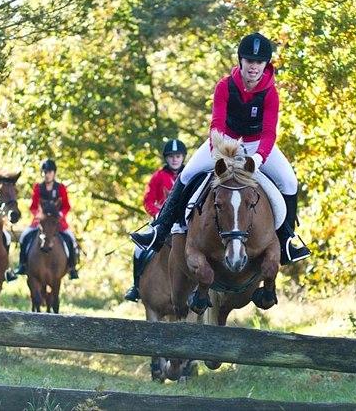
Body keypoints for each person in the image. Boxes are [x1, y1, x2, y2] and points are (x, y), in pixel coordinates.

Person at [131, 32, 310, 265]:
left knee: (289, 182)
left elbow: (268, 133)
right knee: (186, 174)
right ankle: (159, 229)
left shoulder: (270, 93)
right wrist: (222, 152)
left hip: (258, 144)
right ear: (241, 61)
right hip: (225, 141)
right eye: (249, 61)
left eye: (258, 62)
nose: (253, 67)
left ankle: (287, 240)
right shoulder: (225, 86)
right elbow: (217, 124)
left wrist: (257, 158)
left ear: (265, 64)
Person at [124, 139, 187, 302]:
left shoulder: (190, 174)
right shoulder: (158, 176)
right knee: (139, 249)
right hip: (161, 222)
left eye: (178, 156)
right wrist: (157, 213)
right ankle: (136, 286)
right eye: (171, 156)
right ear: (166, 158)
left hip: (184, 224)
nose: (175, 159)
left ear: (183, 157)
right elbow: (148, 200)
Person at [13, 159, 79, 279]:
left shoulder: (61, 188)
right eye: (44, 172)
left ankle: (72, 267)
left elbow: (66, 206)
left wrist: (60, 214)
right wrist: (39, 214)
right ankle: (22, 264)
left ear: (54, 173)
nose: (47, 174)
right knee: (24, 237)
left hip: (57, 222)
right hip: (41, 221)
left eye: (49, 172)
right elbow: (33, 206)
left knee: (71, 238)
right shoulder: (38, 187)